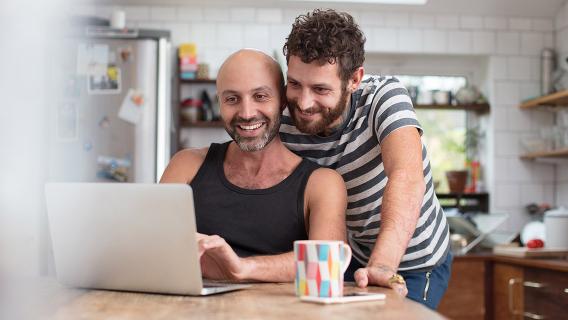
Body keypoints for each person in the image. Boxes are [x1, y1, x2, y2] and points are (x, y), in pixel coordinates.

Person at [279, 9, 451, 309]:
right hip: (352, 254)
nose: (304, 104)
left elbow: (407, 178)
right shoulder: (285, 116)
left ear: (354, 79)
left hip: (415, 259)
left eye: (320, 89)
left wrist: (383, 265)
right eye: (295, 84)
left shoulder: (384, 97)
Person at [160, 49, 347, 282]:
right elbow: (153, 245)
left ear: (283, 102)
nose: (247, 113)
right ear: (219, 103)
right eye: (232, 99)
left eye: (260, 96)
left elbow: (328, 266)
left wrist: (241, 268)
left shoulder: (321, 184)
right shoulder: (186, 165)